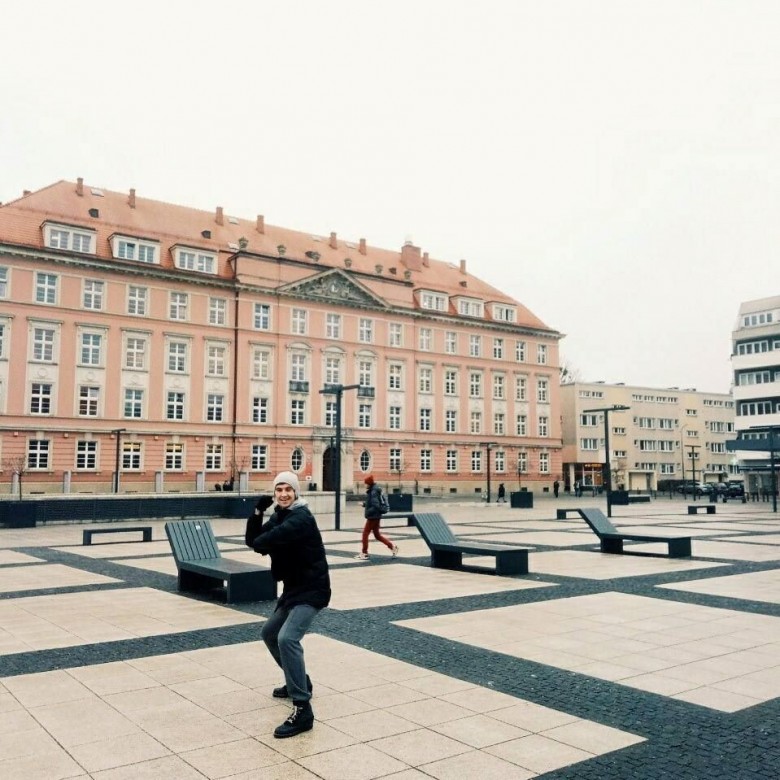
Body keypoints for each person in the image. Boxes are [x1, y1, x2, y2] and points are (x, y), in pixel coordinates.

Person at [245, 471, 330, 739]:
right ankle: (300, 680)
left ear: (296, 493)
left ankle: (302, 708)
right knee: (269, 634)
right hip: (293, 589)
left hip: (312, 589)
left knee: (287, 638)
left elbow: (260, 542)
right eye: (279, 489)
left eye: (288, 489)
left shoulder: (300, 518)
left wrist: (262, 529)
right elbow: (253, 541)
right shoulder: (280, 516)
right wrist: (258, 511)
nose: (283, 494)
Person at [356, 475, 398, 561]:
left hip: (373, 516)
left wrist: (368, 512)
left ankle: (364, 553)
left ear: (369, 483)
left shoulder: (373, 491)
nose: (365, 485)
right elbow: (373, 503)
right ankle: (392, 547)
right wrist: (364, 504)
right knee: (377, 535)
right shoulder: (374, 490)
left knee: (365, 533)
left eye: (366, 483)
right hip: (376, 516)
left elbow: (376, 505)